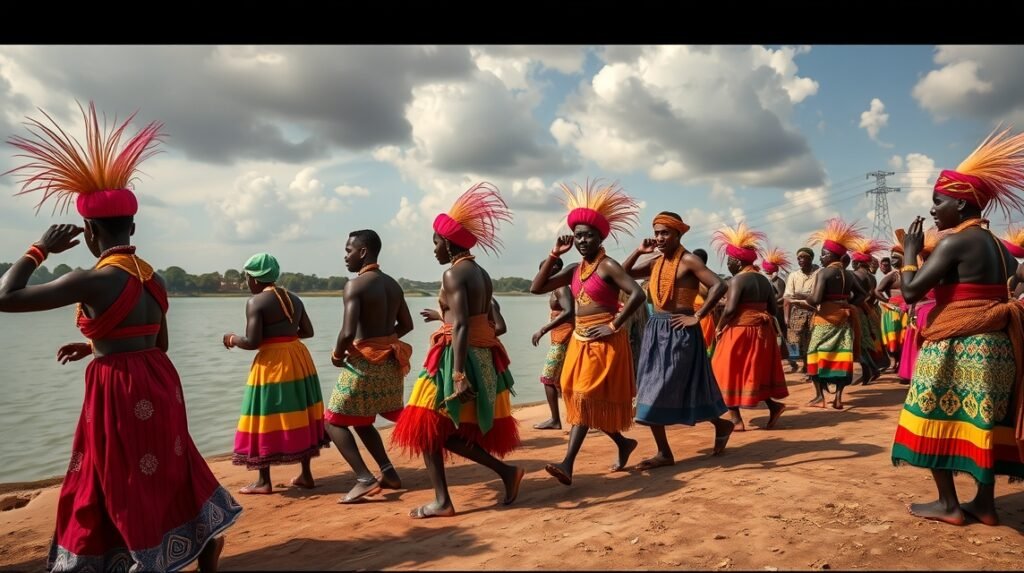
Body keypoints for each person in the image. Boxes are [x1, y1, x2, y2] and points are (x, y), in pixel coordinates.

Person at [0, 103, 240, 571]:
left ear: (89, 231)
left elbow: (6, 297)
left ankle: (136, 557)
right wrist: (96, 344)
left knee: (117, 477)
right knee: (168, 465)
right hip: (159, 380)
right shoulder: (154, 277)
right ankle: (200, 537)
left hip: (118, 388)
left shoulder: (90, 279)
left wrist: (39, 248)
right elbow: (157, 342)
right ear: (133, 226)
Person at [891, 128, 1024, 526]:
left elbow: (912, 291)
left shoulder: (954, 243)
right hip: (998, 346)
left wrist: (910, 252)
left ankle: (949, 504)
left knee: (930, 414)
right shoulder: (1001, 247)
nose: (933, 211)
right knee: (984, 420)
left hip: (958, 344)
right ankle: (984, 504)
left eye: (939, 202)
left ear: (961, 204)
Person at [390, 182, 524, 518]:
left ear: (448, 243)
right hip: (481, 354)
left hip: (456, 358)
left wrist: (459, 374)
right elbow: (472, 318)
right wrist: (442, 317)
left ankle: (443, 501)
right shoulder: (480, 272)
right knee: (437, 431)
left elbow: (462, 324)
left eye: (435, 242)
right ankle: (504, 474)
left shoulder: (453, 274)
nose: (433, 248)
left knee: (423, 425)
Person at [530, 179, 646, 486]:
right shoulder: (573, 270)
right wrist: (554, 255)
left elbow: (637, 294)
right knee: (575, 394)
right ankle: (623, 443)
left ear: (599, 237)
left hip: (605, 342)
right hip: (580, 341)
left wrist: (613, 325)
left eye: (588, 236)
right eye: (578, 236)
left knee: (583, 397)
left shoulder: (608, 266)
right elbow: (536, 287)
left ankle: (567, 464)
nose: (582, 241)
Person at [621, 212, 733, 469]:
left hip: (681, 330)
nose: (659, 237)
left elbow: (719, 285)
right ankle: (666, 452)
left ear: (678, 234)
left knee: (663, 388)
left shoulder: (689, 260)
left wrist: (698, 315)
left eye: (665, 233)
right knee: (653, 386)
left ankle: (718, 424)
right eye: (657, 232)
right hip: (656, 329)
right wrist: (639, 251)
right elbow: (623, 273)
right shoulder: (655, 262)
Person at [224, 253, 328, 494]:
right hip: (298, 358)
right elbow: (308, 331)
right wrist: (285, 337)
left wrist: (231, 339)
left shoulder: (256, 302)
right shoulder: (294, 299)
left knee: (265, 414)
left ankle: (263, 481)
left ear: (255, 278)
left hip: (272, 362)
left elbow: (252, 341)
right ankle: (306, 475)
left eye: (247, 278)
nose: (246, 283)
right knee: (300, 411)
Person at [324, 230, 414, 503]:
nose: (345, 255)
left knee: (332, 421)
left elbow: (347, 332)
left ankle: (364, 478)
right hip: (390, 365)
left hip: (365, 365)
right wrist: (384, 342)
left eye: (349, 250)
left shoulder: (356, 285)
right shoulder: (392, 285)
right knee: (361, 420)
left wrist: (338, 355)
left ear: (363, 252)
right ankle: (388, 473)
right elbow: (407, 325)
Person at [709, 222, 788, 431]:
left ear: (736, 260)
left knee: (725, 371)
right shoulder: (763, 280)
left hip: (740, 332)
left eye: (729, 260)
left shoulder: (737, 280)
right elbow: (772, 308)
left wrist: (719, 327)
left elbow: (730, 309)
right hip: (763, 332)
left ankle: (736, 419)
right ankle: (773, 405)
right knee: (753, 373)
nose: (728, 264)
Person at [805, 219, 869, 409]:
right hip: (844, 320)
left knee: (814, 354)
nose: (821, 258)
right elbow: (863, 294)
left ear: (832, 255)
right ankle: (838, 399)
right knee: (841, 356)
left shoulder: (823, 273)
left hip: (825, 319)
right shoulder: (850, 275)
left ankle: (819, 397)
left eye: (823, 254)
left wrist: (803, 298)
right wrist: (848, 305)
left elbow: (815, 299)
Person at [530, 257, 575, 430]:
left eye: (548, 268)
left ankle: (555, 420)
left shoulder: (560, 287)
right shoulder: (555, 287)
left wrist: (543, 329)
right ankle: (576, 416)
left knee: (548, 378)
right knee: (561, 380)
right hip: (560, 336)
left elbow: (569, 311)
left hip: (564, 337)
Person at [896, 227, 942, 384]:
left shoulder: (927, 270)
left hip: (925, 316)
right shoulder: (941, 268)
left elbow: (909, 293)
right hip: (934, 313)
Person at [848, 239, 888, 385]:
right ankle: (867, 373)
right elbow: (870, 295)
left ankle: (872, 368)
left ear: (858, 263)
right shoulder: (871, 277)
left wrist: (851, 305)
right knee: (864, 341)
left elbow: (857, 295)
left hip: (857, 310)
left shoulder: (855, 275)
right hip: (867, 310)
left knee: (859, 342)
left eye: (853, 261)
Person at [783, 247, 820, 375]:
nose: (801, 260)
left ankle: (810, 368)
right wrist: (786, 318)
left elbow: (817, 296)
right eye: (799, 258)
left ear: (811, 258)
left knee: (812, 341)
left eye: (804, 257)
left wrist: (802, 296)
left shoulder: (819, 273)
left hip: (814, 311)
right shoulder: (793, 276)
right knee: (794, 341)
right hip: (797, 312)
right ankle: (797, 363)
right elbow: (788, 297)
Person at [762, 247, 797, 371]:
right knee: (779, 336)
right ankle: (787, 359)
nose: (764, 272)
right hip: (774, 311)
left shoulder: (778, 281)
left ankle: (790, 360)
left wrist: (770, 302)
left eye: (766, 270)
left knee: (782, 335)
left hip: (779, 312)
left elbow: (782, 296)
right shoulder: (772, 280)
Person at [875, 240, 908, 372]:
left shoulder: (909, 272)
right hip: (893, 310)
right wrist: (887, 301)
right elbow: (877, 290)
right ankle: (894, 362)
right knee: (893, 337)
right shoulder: (892, 275)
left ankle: (902, 362)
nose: (893, 261)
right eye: (892, 257)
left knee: (905, 336)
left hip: (908, 309)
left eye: (895, 258)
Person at [691, 248, 719, 356]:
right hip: (696, 319)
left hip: (702, 320)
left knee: (703, 352)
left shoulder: (705, 278)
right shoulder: (700, 276)